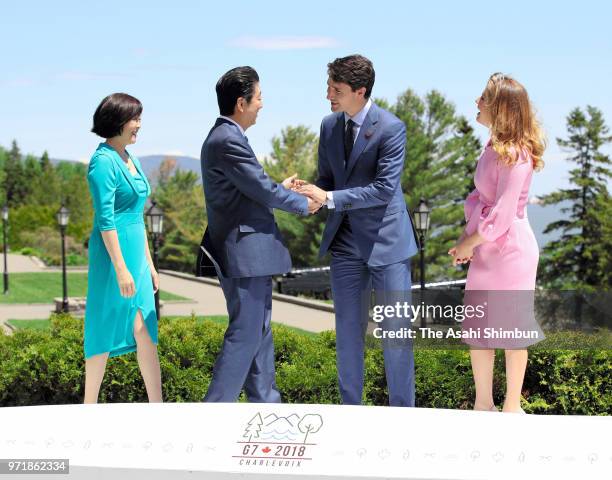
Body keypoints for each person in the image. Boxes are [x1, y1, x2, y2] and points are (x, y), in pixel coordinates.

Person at [295, 55, 419, 407]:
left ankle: (403, 417)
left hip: (388, 246)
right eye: (328, 86)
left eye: (336, 89)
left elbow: (382, 189)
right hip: (345, 246)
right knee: (348, 335)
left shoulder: (391, 128)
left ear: (360, 91)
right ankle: (351, 414)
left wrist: (330, 197)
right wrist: (309, 193)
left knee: (395, 337)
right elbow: (327, 180)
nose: (328, 95)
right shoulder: (329, 126)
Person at [199, 66, 319, 403]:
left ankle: (266, 403)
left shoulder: (228, 138)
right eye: (259, 97)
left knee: (260, 332)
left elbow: (251, 189)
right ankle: (213, 410)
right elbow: (261, 188)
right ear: (241, 102)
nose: (262, 104)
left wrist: (278, 189)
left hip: (250, 251)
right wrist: (301, 203)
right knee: (246, 332)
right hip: (244, 252)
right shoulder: (227, 139)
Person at [449, 73, 546, 413]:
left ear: (501, 108)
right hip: (487, 249)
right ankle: (482, 404)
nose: (477, 102)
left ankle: (511, 407)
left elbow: (503, 214)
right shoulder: (491, 146)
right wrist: (467, 243)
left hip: (512, 251)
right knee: (478, 325)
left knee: (511, 326)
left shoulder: (518, 154)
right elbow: (479, 198)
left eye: (483, 98)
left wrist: (469, 244)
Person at [84, 93, 162, 403]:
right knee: (103, 325)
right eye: (136, 119)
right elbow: (106, 220)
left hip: (136, 258)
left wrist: (149, 263)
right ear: (118, 121)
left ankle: (158, 405)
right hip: (112, 259)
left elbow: (137, 217)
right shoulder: (102, 163)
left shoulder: (133, 159)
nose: (139, 126)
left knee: (145, 328)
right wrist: (120, 268)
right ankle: (88, 405)